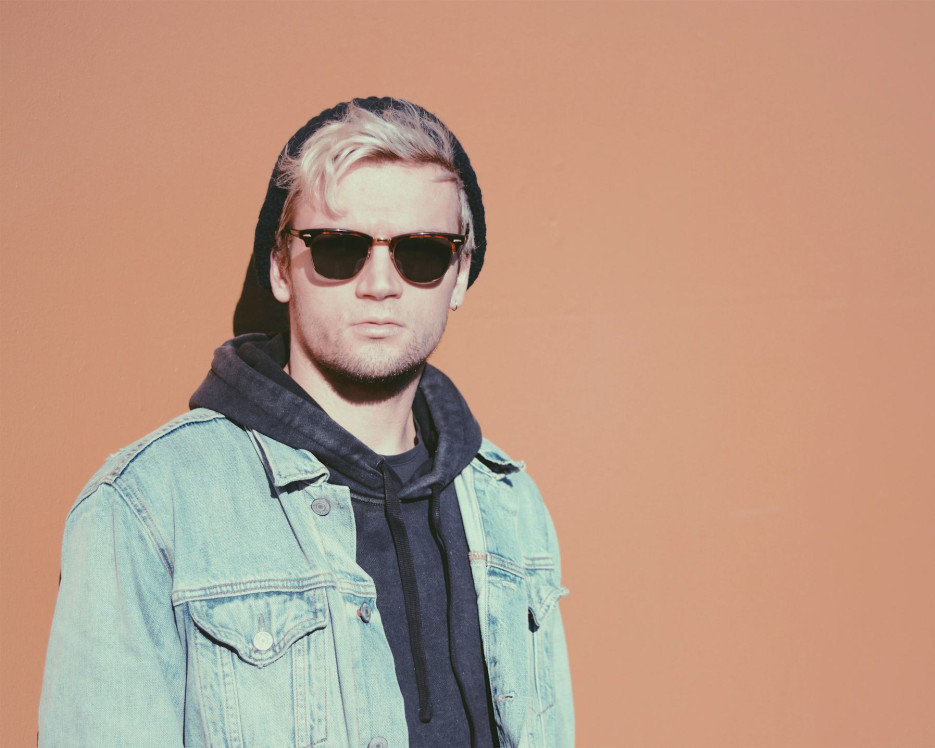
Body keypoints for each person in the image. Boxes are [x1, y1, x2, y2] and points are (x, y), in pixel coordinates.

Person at [39, 97, 573, 747]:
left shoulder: (511, 504)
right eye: (340, 248)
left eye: (422, 252)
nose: (380, 283)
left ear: (459, 275)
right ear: (280, 268)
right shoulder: (149, 506)